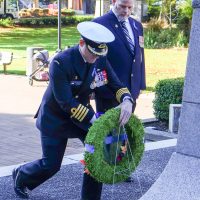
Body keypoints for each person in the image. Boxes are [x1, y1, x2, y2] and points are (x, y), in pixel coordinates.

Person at [12, 21, 134, 200]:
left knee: (97, 154)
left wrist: (127, 100)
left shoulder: (100, 57)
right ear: (81, 43)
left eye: (98, 54)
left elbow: (116, 84)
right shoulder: (61, 62)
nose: (94, 58)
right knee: (51, 165)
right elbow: (65, 102)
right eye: (91, 53)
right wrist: (95, 120)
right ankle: (22, 175)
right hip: (56, 117)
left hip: (83, 116)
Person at [93, 0, 146, 181]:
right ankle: (105, 167)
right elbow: (98, 61)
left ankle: (120, 166)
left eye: (130, 7)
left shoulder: (136, 25)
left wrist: (140, 84)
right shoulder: (99, 24)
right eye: (122, 6)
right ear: (113, 2)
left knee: (124, 131)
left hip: (131, 90)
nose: (126, 11)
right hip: (109, 90)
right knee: (108, 132)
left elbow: (139, 57)